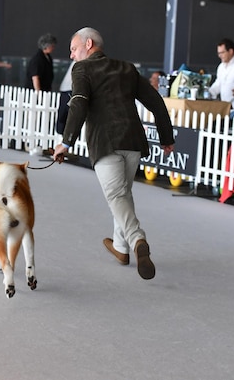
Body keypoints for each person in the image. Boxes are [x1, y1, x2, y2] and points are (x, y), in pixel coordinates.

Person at [52, 27, 175, 280]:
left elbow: (79, 102)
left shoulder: (82, 69)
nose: (72, 56)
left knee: (117, 196)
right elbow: (156, 101)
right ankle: (121, 248)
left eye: (74, 49)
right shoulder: (126, 68)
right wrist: (166, 137)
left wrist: (66, 142)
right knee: (123, 196)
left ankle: (137, 240)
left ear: (89, 44)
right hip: (132, 142)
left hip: (105, 142)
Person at [56, 60, 75, 135]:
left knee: (64, 115)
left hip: (68, 90)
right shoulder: (80, 60)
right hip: (69, 90)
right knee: (64, 115)